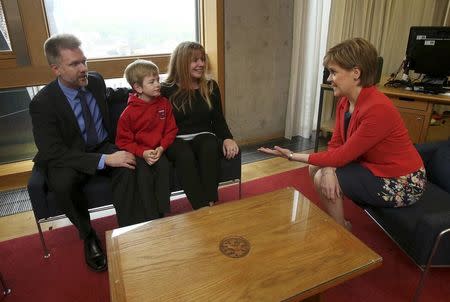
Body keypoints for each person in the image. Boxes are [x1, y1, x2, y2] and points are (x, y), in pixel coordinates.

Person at [259, 38, 426, 230]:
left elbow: (342, 156)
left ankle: (340, 232)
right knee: (316, 170)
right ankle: (341, 225)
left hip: (402, 180)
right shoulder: (345, 103)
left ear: (356, 73)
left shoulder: (378, 108)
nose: (329, 79)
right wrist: (329, 169)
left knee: (321, 174)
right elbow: (336, 144)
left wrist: (291, 155)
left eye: (333, 72)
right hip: (373, 166)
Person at [29, 34, 136, 272]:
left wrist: (145, 88)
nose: (83, 68)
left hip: (101, 145)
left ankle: (128, 232)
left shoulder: (94, 81)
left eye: (84, 61)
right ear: (56, 69)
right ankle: (88, 236)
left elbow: (111, 95)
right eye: (74, 64)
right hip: (68, 156)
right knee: (63, 183)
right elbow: (53, 151)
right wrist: (105, 160)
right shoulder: (43, 103)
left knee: (128, 164)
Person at [161, 41, 239, 210]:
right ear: (182, 62)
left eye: (202, 59)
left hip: (204, 135)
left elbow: (218, 119)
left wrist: (227, 138)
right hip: (175, 139)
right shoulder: (165, 89)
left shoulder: (210, 86)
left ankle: (209, 202)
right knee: (184, 154)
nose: (201, 64)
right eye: (195, 60)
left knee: (210, 145)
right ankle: (202, 207)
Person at [114, 59, 177, 225]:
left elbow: (171, 130)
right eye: (152, 81)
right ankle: (151, 216)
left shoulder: (164, 103)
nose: (157, 84)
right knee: (143, 175)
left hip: (158, 150)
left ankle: (162, 211)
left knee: (164, 167)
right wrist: (142, 153)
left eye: (158, 80)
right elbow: (123, 141)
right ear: (138, 88)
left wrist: (162, 148)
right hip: (140, 153)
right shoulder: (128, 114)